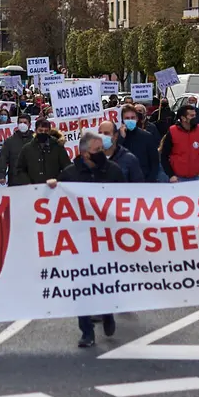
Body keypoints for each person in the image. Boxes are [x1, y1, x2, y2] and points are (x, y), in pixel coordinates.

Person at [47, 132, 125, 347]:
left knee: (106, 280)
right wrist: (52, 187)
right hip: (80, 239)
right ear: (84, 154)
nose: (102, 153)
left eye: (102, 149)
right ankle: (87, 332)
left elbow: (127, 200)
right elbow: (55, 203)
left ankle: (108, 313)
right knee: (81, 285)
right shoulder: (70, 175)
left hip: (107, 238)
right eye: (97, 151)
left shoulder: (114, 172)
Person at [160, 105, 199, 183]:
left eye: (195, 115)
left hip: (196, 177)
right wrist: (171, 175)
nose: (195, 118)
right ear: (183, 118)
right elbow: (164, 155)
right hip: (177, 178)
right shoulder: (172, 131)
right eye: (191, 116)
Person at [15, 118, 71, 185]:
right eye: (40, 130)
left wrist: (58, 180)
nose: (43, 133)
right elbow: (20, 169)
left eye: (46, 131)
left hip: (54, 188)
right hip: (33, 189)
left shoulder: (58, 147)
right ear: (35, 130)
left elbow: (67, 167)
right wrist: (27, 183)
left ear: (49, 131)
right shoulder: (27, 149)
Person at [117, 105, 160, 182]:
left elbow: (155, 162)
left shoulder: (147, 136)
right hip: (123, 183)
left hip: (144, 182)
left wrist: (150, 181)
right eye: (127, 118)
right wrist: (121, 138)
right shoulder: (117, 137)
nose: (130, 120)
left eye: (132, 118)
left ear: (137, 119)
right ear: (122, 120)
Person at [0, 114, 33, 185]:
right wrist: (1, 175)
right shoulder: (9, 141)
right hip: (15, 179)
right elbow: (3, 159)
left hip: (33, 179)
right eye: (20, 122)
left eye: (25, 123)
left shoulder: (35, 140)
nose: (22, 124)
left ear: (30, 125)